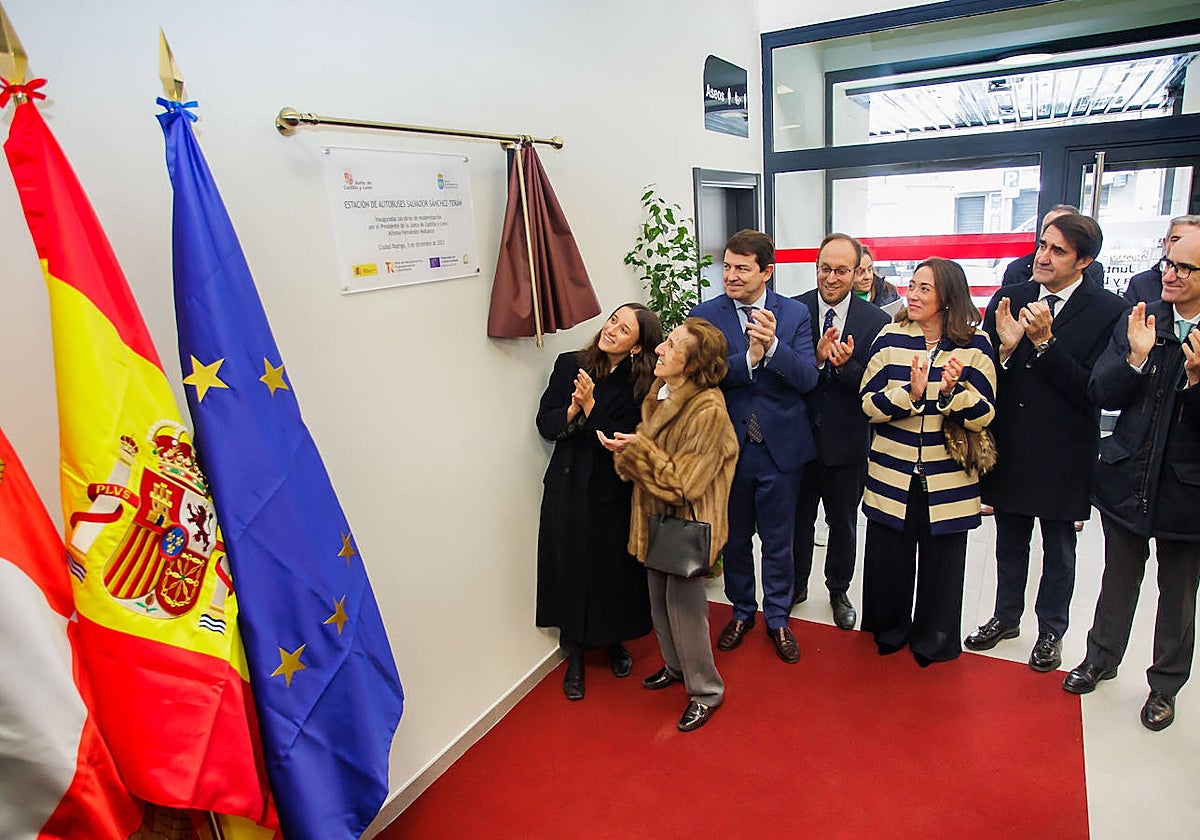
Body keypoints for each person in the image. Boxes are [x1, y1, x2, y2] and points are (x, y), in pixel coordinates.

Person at [967, 214, 1128, 672]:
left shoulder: (1107, 310)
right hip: (1013, 442)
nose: (1043, 256)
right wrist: (1005, 350)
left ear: (1084, 260)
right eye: (1042, 245)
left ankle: (1051, 630)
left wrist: (1043, 342)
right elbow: (986, 378)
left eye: (1057, 251)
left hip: (1065, 448)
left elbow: (1094, 389)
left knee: (1058, 546)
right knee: (1009, 538)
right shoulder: (1010, 297)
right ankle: (1005, 616)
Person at [1064, 229, 1200, 732]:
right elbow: (1101, 390)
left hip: (1187, 490)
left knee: (1178, 594)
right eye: (1169, 261)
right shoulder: (1141, 319)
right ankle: (1101, 656)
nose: (1171, 273)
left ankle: (1165, 687)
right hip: (1127, 474)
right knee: (1118, 578)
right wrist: (1137, 359)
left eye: (1186, 268)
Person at [599, 318, 739, 732]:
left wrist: (637, 449)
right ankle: (677, 667)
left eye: (673, 345)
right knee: (659, 602)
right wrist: (631, 448)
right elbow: (653, 461)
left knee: (686, 610)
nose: (660, 348)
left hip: (688, 522)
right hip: (657, 519)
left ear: (692, 364)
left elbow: (683, 484)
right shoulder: (662, 394)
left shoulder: (708, 409)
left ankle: (706, 691)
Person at [859, 257, 997, 666]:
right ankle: (889, 630)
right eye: (912, 286)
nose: (913, 295)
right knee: (889, 560)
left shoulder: (976, 344)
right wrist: (912, 395)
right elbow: (868, 405)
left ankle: (933, 639)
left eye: (925, 289)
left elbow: (986, 413)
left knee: (942, 566)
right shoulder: (889, 337)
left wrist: (952, 393)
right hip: (891, 473)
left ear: (949, 297)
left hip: (948, 478)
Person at [690, 230, 819, 664]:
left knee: (779, 540)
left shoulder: (795, 313)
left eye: (742, 269)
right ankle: (742, 610)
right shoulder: (706, 313)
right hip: (730, 446)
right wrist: (748, 358)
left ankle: (778, 617)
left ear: (766, 271)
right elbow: (702, 374)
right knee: (736, 538)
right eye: (726, 266)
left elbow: (807, 378)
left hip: (781, 447)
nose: (731, 276)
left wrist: (775, 347)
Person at [535, 303, 664, 700]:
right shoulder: (569, 364)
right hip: (570, 486)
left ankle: (614, 641)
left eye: (624, 329)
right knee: (571, 566)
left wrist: (591, 408)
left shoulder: (641, 385)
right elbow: (546, 423)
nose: (611, 330)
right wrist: (574, 407)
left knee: (612, 569)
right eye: (612, 320)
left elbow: (618, 439)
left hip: (614, 487)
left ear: (638, 347)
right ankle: (574, 654)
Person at [792, 234, 890, 630]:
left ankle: (837, 589)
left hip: (848, 441)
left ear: (858, 273)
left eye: (841, 270)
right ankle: (796, 584)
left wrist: (847, 367)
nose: (831, 278)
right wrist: (814, 361)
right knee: (798, 519)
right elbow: (783, 375)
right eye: (824, 269)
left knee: (843, 521)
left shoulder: (876, 322)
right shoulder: (793, 311)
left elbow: (877, 386)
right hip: (798, 439)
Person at [1002, 205, 1105, 287]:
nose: (1042, 260)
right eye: (1043, 246)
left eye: (1057, 251)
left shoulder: (1111, 306)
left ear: (1083, 262)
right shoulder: (1016, 270)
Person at [1123, 214, 1200, 303]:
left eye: (1188, 240)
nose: (1180, 245)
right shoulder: (1141, 283)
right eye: (1176, 240)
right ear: (1165, 243)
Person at [853, 244, 901, 309]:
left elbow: (902, 316)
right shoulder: (838, 298)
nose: (868, 277)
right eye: (860, 272)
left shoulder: (888, 292)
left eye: (870, 269)